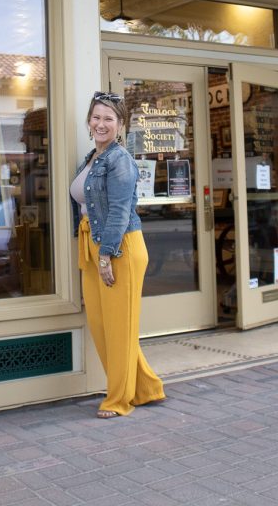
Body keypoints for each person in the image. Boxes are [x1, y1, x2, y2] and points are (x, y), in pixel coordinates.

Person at [70, 91, 166, 418]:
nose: (101, 123)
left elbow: (120, 211)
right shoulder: (91, 158)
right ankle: (145, 387)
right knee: (101, 326)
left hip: (119, 246)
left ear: (120, 124)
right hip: (94, 244)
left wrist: (106, 254)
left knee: (119, 328)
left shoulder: (119, 159)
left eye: (108, 118)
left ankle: (119, 399)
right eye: (96, 117)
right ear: (88, 121)